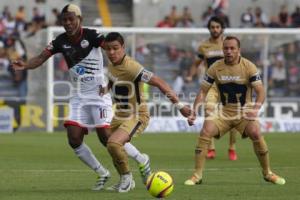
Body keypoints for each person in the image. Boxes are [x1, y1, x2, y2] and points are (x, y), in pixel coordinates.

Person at [11, 4, 151, 191]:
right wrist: (26, 65)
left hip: (98, 96)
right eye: (64, 20)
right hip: (78, 97)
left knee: (107, 139)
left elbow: (112, 52)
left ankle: (138, 162)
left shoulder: (93, 36)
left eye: (71, 19)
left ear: (80, 19)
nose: (68, 23)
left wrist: (116, 76)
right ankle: (103, 172)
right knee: (74, 139)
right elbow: (40, 58)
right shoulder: (59, 41)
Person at [184, 36, 286, 186]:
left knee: (256, 132)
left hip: (244, 112)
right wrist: (194, 110)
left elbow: (261, 91)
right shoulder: (215, 67)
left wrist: (256, 109)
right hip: (224, 112)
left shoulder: (249, 66)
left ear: (239, 50)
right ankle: (197, 175)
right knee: (206, 131)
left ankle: (268, 173)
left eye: (232, 48)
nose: (229, 51)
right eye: (226, 48)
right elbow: (203, 92)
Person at [102, 32, 191, 193]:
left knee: (114, 144)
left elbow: (159, 82)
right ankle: (141, 160)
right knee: (110, 144)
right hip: (120, 114)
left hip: (137, 115)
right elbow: (112, 79)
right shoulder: (111, 64)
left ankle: (127, 179)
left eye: (115, 48)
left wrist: (180, 106)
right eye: (108, 49)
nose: (112, 52)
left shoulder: (132, 67)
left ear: (123, 48)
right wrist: (104, 89)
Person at [186, 16, 238, 160]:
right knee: (208, 112)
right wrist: (190, 75)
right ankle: (211, 148)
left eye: (217, 27)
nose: (215, 29)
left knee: (233, 117)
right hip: (212, 84)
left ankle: (232, 148)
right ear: (209, 29)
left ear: (222, 28)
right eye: (212, 27)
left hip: (230, 83)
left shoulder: (228, 45)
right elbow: (196, 64)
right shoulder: (204, 46)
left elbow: (238, 62)